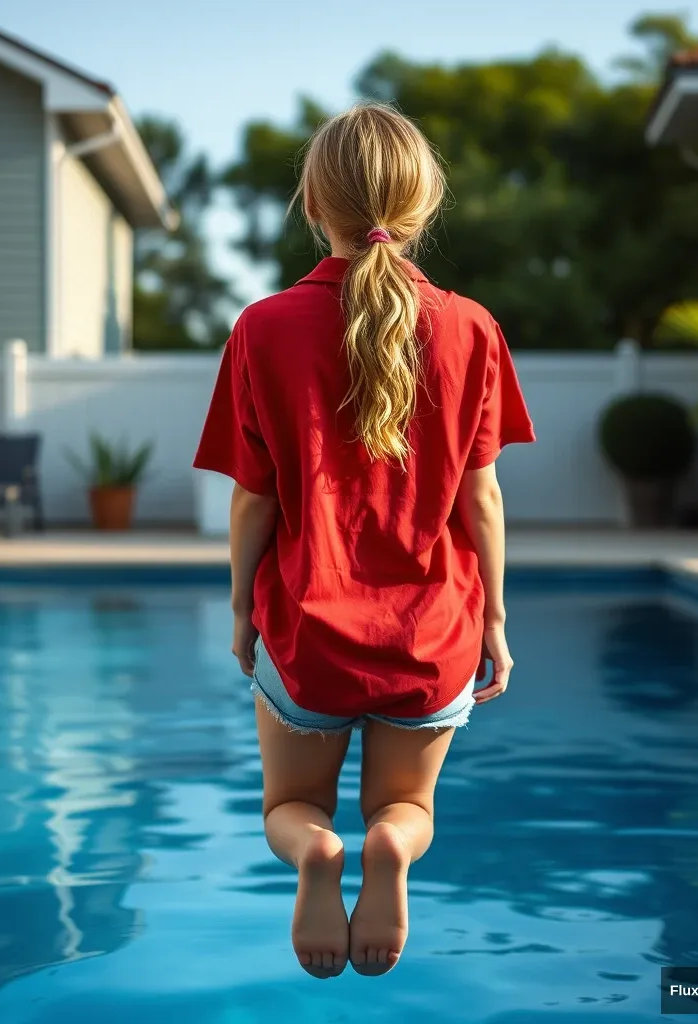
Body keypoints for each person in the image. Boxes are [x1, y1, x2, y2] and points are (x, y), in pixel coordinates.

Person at [193, 102, 534, 979]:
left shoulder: (262, 328)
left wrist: (242, 612)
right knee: (407, 807)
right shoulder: (471, 328)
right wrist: (494, 620)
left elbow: (252, 503)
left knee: (293, 804)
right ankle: (387, 844)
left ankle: (319, 855)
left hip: (308, 634)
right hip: (430, 637)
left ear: (314, 203)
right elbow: (481, 499)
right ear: (423, 207)